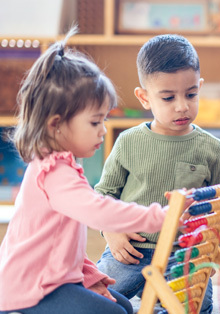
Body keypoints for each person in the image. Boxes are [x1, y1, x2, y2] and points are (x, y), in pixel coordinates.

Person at [0, 28, 173, 314]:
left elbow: (63, 246)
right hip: (32, 288)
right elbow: (100, 212)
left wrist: (91, 278)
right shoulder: (54, 173)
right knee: (115, 313)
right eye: (95, 122)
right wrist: (160, 217)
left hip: (52, 279)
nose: (103, 131)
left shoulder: (61, 165)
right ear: (56, 124)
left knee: (123, 307)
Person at [95, 34, 220, 313]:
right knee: (96, 300)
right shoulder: (128, 141)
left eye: (191, 94)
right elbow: (103, 195)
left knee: (192, 308)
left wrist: (202, 238)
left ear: (200, 88)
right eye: (168, 97)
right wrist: (111, 230)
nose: (182, 105)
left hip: (185, 255)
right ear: (144, 97)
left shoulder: (213, 148)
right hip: (131, 250)